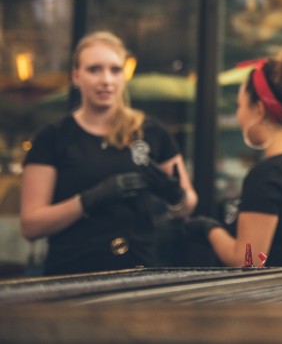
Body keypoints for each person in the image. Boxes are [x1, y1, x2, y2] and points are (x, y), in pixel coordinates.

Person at [20, 31, 198, 275]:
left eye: (115, 70)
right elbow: (30, 226)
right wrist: (87, 200)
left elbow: (188, 205)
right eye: (94, 69)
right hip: (71, 273)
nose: (106, 80)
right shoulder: (53, 137)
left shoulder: (150, 132)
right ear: (76, 76)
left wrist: (175, 195)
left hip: (138, 272)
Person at [183, 48, 282, 267]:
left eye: (239, 106)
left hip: (276, 299)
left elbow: (248, 261)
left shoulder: (267, 176)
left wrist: (208, 229)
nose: (239, 116)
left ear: (258, 110)